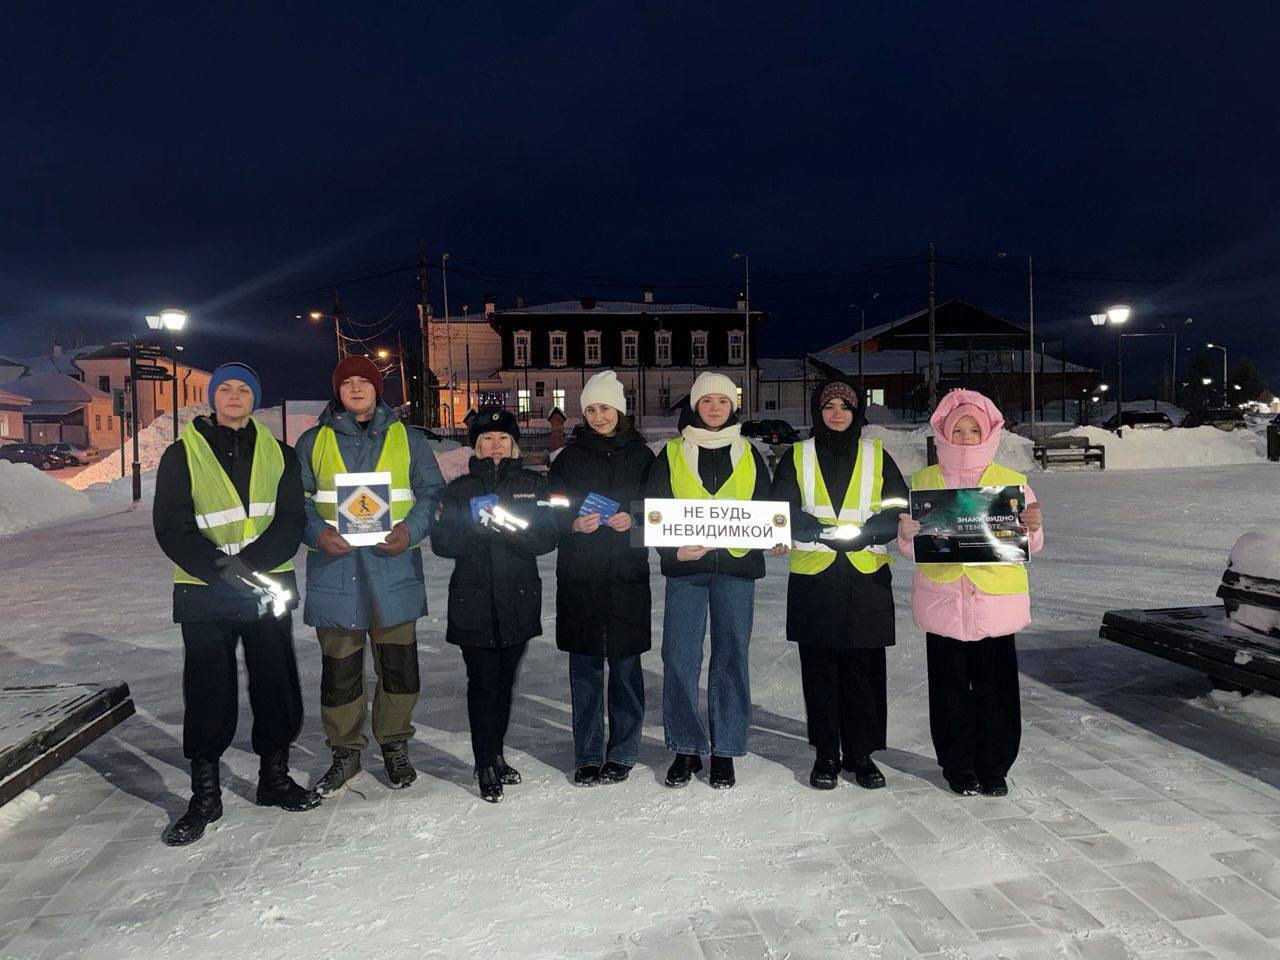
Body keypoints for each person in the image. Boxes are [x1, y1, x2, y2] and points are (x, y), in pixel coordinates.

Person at [153, 363, 319, 846]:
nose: (233, 395)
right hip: (204, 592)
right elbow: (171, 525)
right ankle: (204, 794)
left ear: (255, 399)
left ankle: (274, 778)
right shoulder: (181, 454)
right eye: (224, 388)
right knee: (207, 691)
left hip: (264, 589)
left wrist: (246, 565)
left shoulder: (280, 454)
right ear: (211, 397)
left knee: (276, 683)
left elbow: (290, 520)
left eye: (243, 388)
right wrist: (223, 568)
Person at [295, 355, 445, 795]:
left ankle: (395, 744)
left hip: (392, 568)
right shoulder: (313, 441)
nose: (357, 388)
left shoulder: (408, 438)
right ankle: (346, 752)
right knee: (340, 670)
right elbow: (296, 500)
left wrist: (410, 530)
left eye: (365, 381)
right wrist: (317, 532)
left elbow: (432, 492)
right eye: (348, 383)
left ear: (378, 390)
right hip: (336, 571)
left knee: (398, 669)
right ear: (337, 391)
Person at [896, 390, 1045, 797]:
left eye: (973, 428)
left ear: (989, 431)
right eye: (957, 428)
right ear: (943, 431)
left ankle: (994, 767)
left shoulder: (1013, 483)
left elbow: (1032, 542)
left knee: (997, 692)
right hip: (943, 601)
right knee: (948, 692)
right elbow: (913, 547)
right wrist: (906, 536)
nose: (964, 435)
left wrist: (1032, 525)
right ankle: (957, 765)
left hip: (995, 605)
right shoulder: (924, 482)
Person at [771, 377, 909, 791]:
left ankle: (861, 755)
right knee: (820, 671)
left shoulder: (876, 455)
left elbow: (900, 506)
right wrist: (814, 530)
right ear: (817, 411)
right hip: (816, 576)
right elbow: (780, 506)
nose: (836, 414)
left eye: (845, 407)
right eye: (828, 406)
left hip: (866, 576)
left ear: (857, 413)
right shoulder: (797, 454)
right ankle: (827, 754)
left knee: (863, 672)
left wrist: (869, 533)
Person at [645, 372, 776, 789]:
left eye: (722, 401)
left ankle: (726, 749)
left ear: (733, 407)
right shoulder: (670, 452)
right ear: (695, 407)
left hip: (736, 569)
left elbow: (767, 506)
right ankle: (686, 746)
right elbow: (654, 510)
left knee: (732, 656)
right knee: (679, 657)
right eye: (707, 401)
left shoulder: (750, 452)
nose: (715, 408)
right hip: (687, 569)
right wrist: (671, 551)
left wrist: (774, 536)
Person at [430, 408, 559, 802]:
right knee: (483, 683)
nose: (495, 445)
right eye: (487, 439)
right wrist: (475, 531)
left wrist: (510, 532)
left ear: (513, 443)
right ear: (476, 445)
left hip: (518, 598)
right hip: (474, 599)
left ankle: (497, 754)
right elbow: (441, 543)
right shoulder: (459, 488)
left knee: (505, 683)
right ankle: (484, 761)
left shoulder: (533, 485)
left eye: (502, 438)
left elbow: (547, 537)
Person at [547, 372, 655, 786]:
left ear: (620, 410)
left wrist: (636, 517)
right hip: (581, 577)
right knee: (586, 670)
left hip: (627, 576)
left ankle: (623, 752)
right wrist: (571, 524)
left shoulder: (643, 456)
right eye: (590, 409)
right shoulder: (568, 458)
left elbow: (659, 507)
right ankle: (588, 754)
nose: (597, 416)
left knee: (627, 669)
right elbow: (551, 506)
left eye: (604, 408)